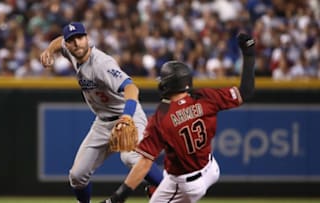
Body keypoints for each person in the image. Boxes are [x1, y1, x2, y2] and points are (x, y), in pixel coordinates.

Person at [101, 33, 256, 203]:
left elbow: (145, 163)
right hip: (211, 169)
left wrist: (118, 197)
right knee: (162, 180)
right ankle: (157, 190)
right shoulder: (205, 96)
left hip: (184, 184)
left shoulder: (161, 117)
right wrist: (248, 54)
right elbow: (246, 91)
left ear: (166, 84)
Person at [39, 22, 163, 203]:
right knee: (77, 175)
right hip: (103, 123)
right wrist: (49, 50)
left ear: (87, 38)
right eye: (72, 40)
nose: (77, 43)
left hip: (127, 115)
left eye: (80, 38)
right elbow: (60, 42)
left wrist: (127, 116)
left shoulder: (101, 64)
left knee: (131, 157)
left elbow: (131, 88)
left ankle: (166, 187)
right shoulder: (72, 52)